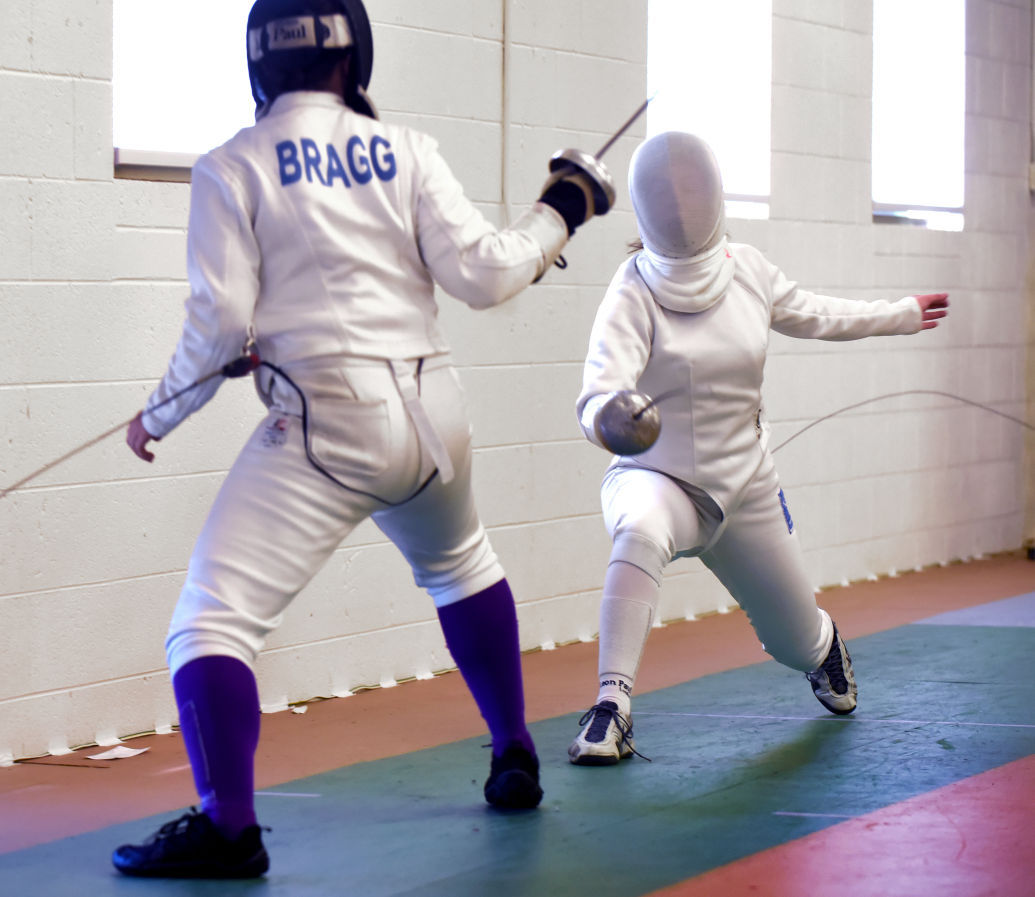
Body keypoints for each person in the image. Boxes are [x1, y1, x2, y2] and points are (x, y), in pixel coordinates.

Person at [112, 0, 614, 878]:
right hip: (433, 417)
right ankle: (511, 752)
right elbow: (488, 274)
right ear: (353, 60)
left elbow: (221, 322)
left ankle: (229, 828)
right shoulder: (406, 150)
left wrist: (157, 414)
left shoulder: (233, 165)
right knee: (462, 565)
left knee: (210, 623)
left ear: (259, 64)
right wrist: (563, 205)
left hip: (324, 424)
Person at [568, 130, 949, 765]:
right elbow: (597, 393)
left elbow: (819, 314)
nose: (683, 206)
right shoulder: (631, 291)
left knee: (793, 641)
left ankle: (823, 646)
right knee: (637, 529)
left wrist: (901, 312)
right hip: (656, 478)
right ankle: (612, 706)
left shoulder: (747, 270)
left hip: (745, 486)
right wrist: (608, 419)